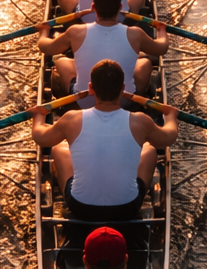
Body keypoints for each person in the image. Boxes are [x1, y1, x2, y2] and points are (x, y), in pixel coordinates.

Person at [31, 57, 177, 223]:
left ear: (91, 88)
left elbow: (40, 137)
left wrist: (38, 116)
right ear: (123, 89)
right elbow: (168, 137)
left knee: (57, 148)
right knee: (150, 150)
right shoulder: (140, 121)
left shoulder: (71, 119)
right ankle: (137, 193)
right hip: (127, 208)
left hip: (81, 207)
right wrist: (171, 116)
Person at [38, 0, 166, 96]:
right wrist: (162, 30)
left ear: (93, 8)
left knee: (61, 61)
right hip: (125, 98)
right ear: (121, 7)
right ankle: (142, 91)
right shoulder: (136, 33)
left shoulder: (75, 31)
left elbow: (45, 47)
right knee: (145, 62)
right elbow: (162, 48)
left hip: (85, 98)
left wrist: (44, 32)